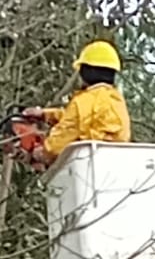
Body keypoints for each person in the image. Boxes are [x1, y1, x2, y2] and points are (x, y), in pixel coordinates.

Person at [22, 40, 131, 168]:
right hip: (114, 165)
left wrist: (43, 152)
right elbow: (83, 121)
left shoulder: (83, 101)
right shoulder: (115, 99)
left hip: (88, 166)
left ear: (85, 71)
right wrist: (45, 114)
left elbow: (66, 131)